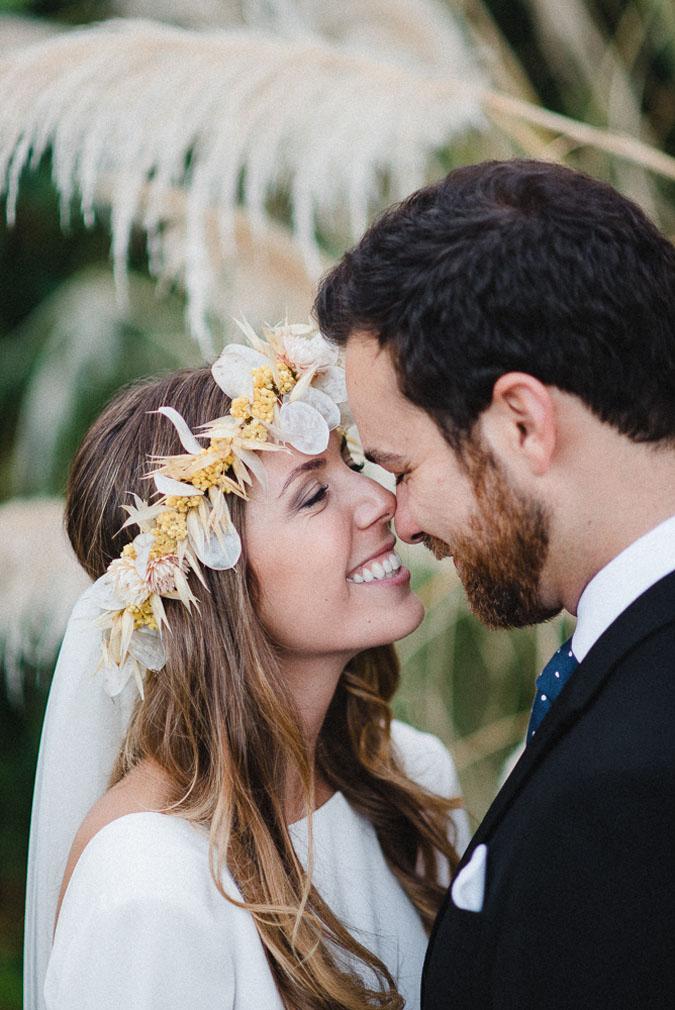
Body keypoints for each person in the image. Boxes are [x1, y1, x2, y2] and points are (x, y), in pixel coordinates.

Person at [24, 323, 470, 1010]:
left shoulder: (413, 786)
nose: (379, 499)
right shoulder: (148, 883)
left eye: (348, 460)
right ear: (207, 588)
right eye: (314, 494)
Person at [315, 159, 675, 1009]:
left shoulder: (629, 784)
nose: (398, 521)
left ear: (523, 422)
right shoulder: (626, 679)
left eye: (400, 468)